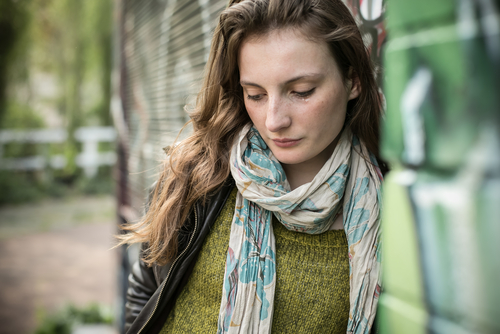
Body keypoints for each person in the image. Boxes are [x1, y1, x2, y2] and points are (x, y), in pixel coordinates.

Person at [121, 0, 385, 333]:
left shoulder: (387, 205)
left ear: (353, 81)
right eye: (255, 94)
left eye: (301, 91)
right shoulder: (199, 172)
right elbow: (145, 289)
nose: (274, 120)